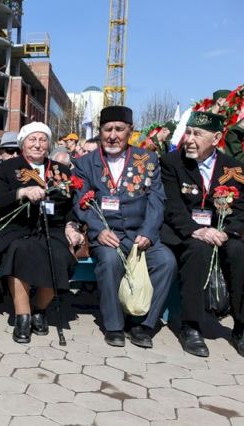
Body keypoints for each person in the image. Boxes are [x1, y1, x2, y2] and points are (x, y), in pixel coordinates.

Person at [73, 106, 177, 348]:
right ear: (100, 131)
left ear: (130, 130)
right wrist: (98, 230)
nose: (112, 135)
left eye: (119, 129)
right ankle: (114, 325)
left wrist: (148, 232)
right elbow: (80, 201)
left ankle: (143, 324)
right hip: (107, 234)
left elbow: (156, 199)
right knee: (110, 261)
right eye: (107, 129)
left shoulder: (147, 159)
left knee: (166, 262)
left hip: (140, 233)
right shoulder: (85, 163)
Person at [160, 111, 244, 358]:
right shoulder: (172, 162)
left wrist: (226, 232)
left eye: (197, 134)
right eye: (188, 132)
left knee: (239, 252)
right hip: (185, 231)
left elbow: (240, 208)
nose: (189, 139)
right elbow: (173, 206)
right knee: (198, 250)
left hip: (221, 231)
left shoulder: (233, 168)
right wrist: (196, 230)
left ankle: (240, 326)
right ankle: (191, 325)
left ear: (216, 138)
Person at [0, 122, 83, 343]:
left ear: (49, 144)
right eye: (32, 139)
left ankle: (39, 309)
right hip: (17, 227)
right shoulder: (8, 167)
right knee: (19, 250)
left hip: (52, 228)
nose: (37, 144)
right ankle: (22, 316)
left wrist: (72, 226)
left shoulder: (61, 170)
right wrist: (21, 192)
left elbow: (69, 207)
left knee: (60, 255)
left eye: (42, 140)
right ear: (23, 144)